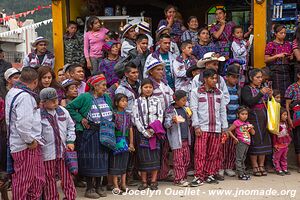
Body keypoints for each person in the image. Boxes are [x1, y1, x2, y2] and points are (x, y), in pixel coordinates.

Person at [66, 75, 112, 198]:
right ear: (95, 86)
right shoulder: (85, 97)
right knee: (91, 160)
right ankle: (90, 188)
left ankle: (99, 185)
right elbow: (69, 107)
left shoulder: (106, 97)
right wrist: (81, 119)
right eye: (103, 85)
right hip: (90, 133)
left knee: (102, 160)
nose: (105, 88)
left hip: (104, 133)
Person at [5, 67, 45, 199]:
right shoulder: (25, 97)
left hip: (19, 142)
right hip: (25, 145)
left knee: (35, 178)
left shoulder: (12, 91)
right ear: (34, 82)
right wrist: (30, 141)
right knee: (24, 180)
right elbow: (22, 124)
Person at [190, 69, 228, 186]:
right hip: (202, 128)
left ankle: (209, 174)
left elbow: (222, 111)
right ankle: (199, 176)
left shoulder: (219, 93)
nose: (214, 80)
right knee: (200, 153)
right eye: (212, 78)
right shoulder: (196, 92)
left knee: (213, 154)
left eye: (216, 78)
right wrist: (196, 126)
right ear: (205, 79)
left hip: (216, 128)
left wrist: (224, 127)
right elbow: (193, 109)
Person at [39, 87, 77, 199]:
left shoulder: (63, 111)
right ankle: (52, 197)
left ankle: (70, 197)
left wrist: (70, 141)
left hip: (63, 151)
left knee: (66, 177)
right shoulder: (38, 114)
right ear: (43, 102)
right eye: (52, 100)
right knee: (49, 179)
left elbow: (71, 126)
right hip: (47, 153)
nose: (56, 102)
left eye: (56, 99)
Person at [132, 78, 164, 191]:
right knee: (143, 158)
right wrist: (144, 131)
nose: (148, 89)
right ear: (141, 88)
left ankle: (154, 181)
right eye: (146, 87)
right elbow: (135, 118)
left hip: (154, 133)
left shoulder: (157, 100)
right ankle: (144, 181)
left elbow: (160, 116)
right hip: (142, 133)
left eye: (150, 87)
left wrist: (153, 129)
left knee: (155, 157)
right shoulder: (137, 102)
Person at [241, 69, 273, 176]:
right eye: (258, 77)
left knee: (264, 139)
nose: (260, 79)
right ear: (251, 78)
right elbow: (249, 102)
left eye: (261, 77)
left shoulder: (261, 88)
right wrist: (260, 93)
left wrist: (270, 96)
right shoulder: (246, 89)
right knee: (255, 140)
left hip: (263, 116)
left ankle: (261, 165)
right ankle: (255, 165)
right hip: (253, 116)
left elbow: (268, 103)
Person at [164, 90, 192, 187]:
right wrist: (172, 120)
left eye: (186, 100)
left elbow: (187, 122)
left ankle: (183, 177)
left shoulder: (185, 109)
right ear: (176, 100)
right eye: (183, 100)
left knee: (186, 159)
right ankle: (178, 179)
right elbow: (166, 124)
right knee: (178, 160)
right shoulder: (170, 110)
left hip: (185, 138)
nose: (185, 102)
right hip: (177, 140)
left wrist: (189, 117)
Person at [217, 65, 240, 180]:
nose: (235, 79)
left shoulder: (237, 89)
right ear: (227, 77)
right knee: (223, 146)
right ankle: (220, 166)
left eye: (237, 77)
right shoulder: (223, 88)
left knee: (232, 146)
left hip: (234, 122)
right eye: (233, 77)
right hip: (225, 122)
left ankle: (229, 166)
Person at [109, 93, 134, 194]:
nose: (124, 103)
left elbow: (130, 129)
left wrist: (131, 143)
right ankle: (115, 185)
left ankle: (123, 184)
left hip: (125, 140)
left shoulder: (127, 115)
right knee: (115, 163)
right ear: (116, 102)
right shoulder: (113, 114)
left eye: (126, 101)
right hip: (115, 140)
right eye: (122, 101)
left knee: (124, 163)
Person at [265, 24, 292, 105]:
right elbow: (266, 59)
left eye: (284, 33)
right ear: (275, 33)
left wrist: (290, 56)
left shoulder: (287, 44)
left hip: (286, 70)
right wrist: (277, 56)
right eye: (281, 33)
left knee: (286, 92)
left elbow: (290, 58)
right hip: (276, 70)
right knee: (277, 92)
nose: (283, 35)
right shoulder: (271, 44)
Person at [227, 106, 255, 180]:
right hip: (241, 142)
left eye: (246, 114)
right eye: (242, 114)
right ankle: (240, 174)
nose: (244, 116)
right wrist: (235, 138)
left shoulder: (247, 123)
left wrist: (251, 128)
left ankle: (243, 172)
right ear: (238, 115)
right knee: (239, 158)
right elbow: (229, 130)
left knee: (243, 158)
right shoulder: (237, 122)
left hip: (247, 142)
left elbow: (253, 133)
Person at [285, 70, 300, 173]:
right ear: (298, 75)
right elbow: (287, 105)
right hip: (297, 118)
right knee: (298, 141)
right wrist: (289, 119)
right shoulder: (292, 87)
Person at [272, 108, 292, 176]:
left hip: (285, 144)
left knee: (284, 157)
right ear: (279, 115)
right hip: (278, 144)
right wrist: (274, 144)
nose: (286, 116)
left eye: (286, 115)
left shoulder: (285, 123)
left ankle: (284, 168)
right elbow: (274, 136)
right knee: (277, 157)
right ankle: (278, 169)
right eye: (284, 115)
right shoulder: (277, 125)